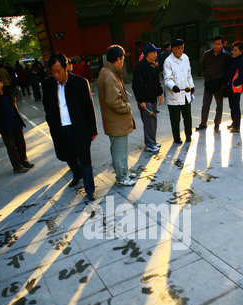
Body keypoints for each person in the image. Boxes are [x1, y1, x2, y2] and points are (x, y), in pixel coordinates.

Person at [42, 52, 98, 201]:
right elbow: (46, 108)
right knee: (66, 155)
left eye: (58, 71)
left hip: (79, 128)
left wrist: (93, 130)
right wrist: (51, 124)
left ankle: (90, 189)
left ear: (66, 67)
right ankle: (76, 173)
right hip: (60, 129)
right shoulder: (48, 85)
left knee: (85, 158)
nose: (56, 75)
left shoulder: (80, 83)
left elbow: (89, 109)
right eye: (52, 71)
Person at [98, 45, 136, 186]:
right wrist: (127, 107)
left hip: (116, 121)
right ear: (118, 59)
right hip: (116, 121)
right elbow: (114, 101)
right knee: (119, 151)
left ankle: (124, 172)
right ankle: (122, 178)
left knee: (120, 150)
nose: (123, 61)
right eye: (123, 58)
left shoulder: (109, 71)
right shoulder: (109, 75)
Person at [0, 73, 34, 173]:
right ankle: (17, 167)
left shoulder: (9, 92)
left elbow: (15, 104)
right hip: (4, 126)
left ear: (1, 83)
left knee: (21, 144)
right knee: (12, 148)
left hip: (15, 122)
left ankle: (24, 161)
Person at [132, 43, 163, 152]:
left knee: (153, 121)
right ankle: (150, 144)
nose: (156, 54)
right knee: (148, 122)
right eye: (154, 52)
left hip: (153, 98)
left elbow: (157, 82)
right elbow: (136, 85)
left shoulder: (153, 66)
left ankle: (153, 141)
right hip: (145, 100)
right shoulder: (140, 67)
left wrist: (159, 94)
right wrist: (141, 100)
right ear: (148, 54)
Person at [196, 35, 230, 132]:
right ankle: (203, 123)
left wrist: (224, 82)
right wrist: (207, 78)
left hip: (219, 84)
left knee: (219, 105)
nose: (216, 46)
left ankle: (217, 123)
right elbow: (203, 67)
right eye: (215, 44)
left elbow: (228, 70)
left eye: (219, 44)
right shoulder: (207, 54)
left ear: (222, 45)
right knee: (205, 104)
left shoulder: (226, 56)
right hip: (208, 83)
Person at [163, 38, 195, 144]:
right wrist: (173, 86)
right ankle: (176, 137)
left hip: (185, 94)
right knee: (175, 119)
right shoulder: (168, 61)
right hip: (174, 96)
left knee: (187, 116)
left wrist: (191, 86)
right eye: (178, 49)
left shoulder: (185, 58)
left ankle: (189, 135)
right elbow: (167, 79)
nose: (180, 51)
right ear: (173, 49)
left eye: (182, 48)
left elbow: (189, 74)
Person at [223, 42, 243, 134]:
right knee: (232, 106)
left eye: (236, 50)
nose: (233, 52)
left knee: (235, 106)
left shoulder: (242, 61)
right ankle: (234, 122)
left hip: (236, 88)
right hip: (230, 87)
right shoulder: (232, 59)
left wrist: (235, 82)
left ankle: (237, 126)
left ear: (241, 51)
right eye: (232, 50)